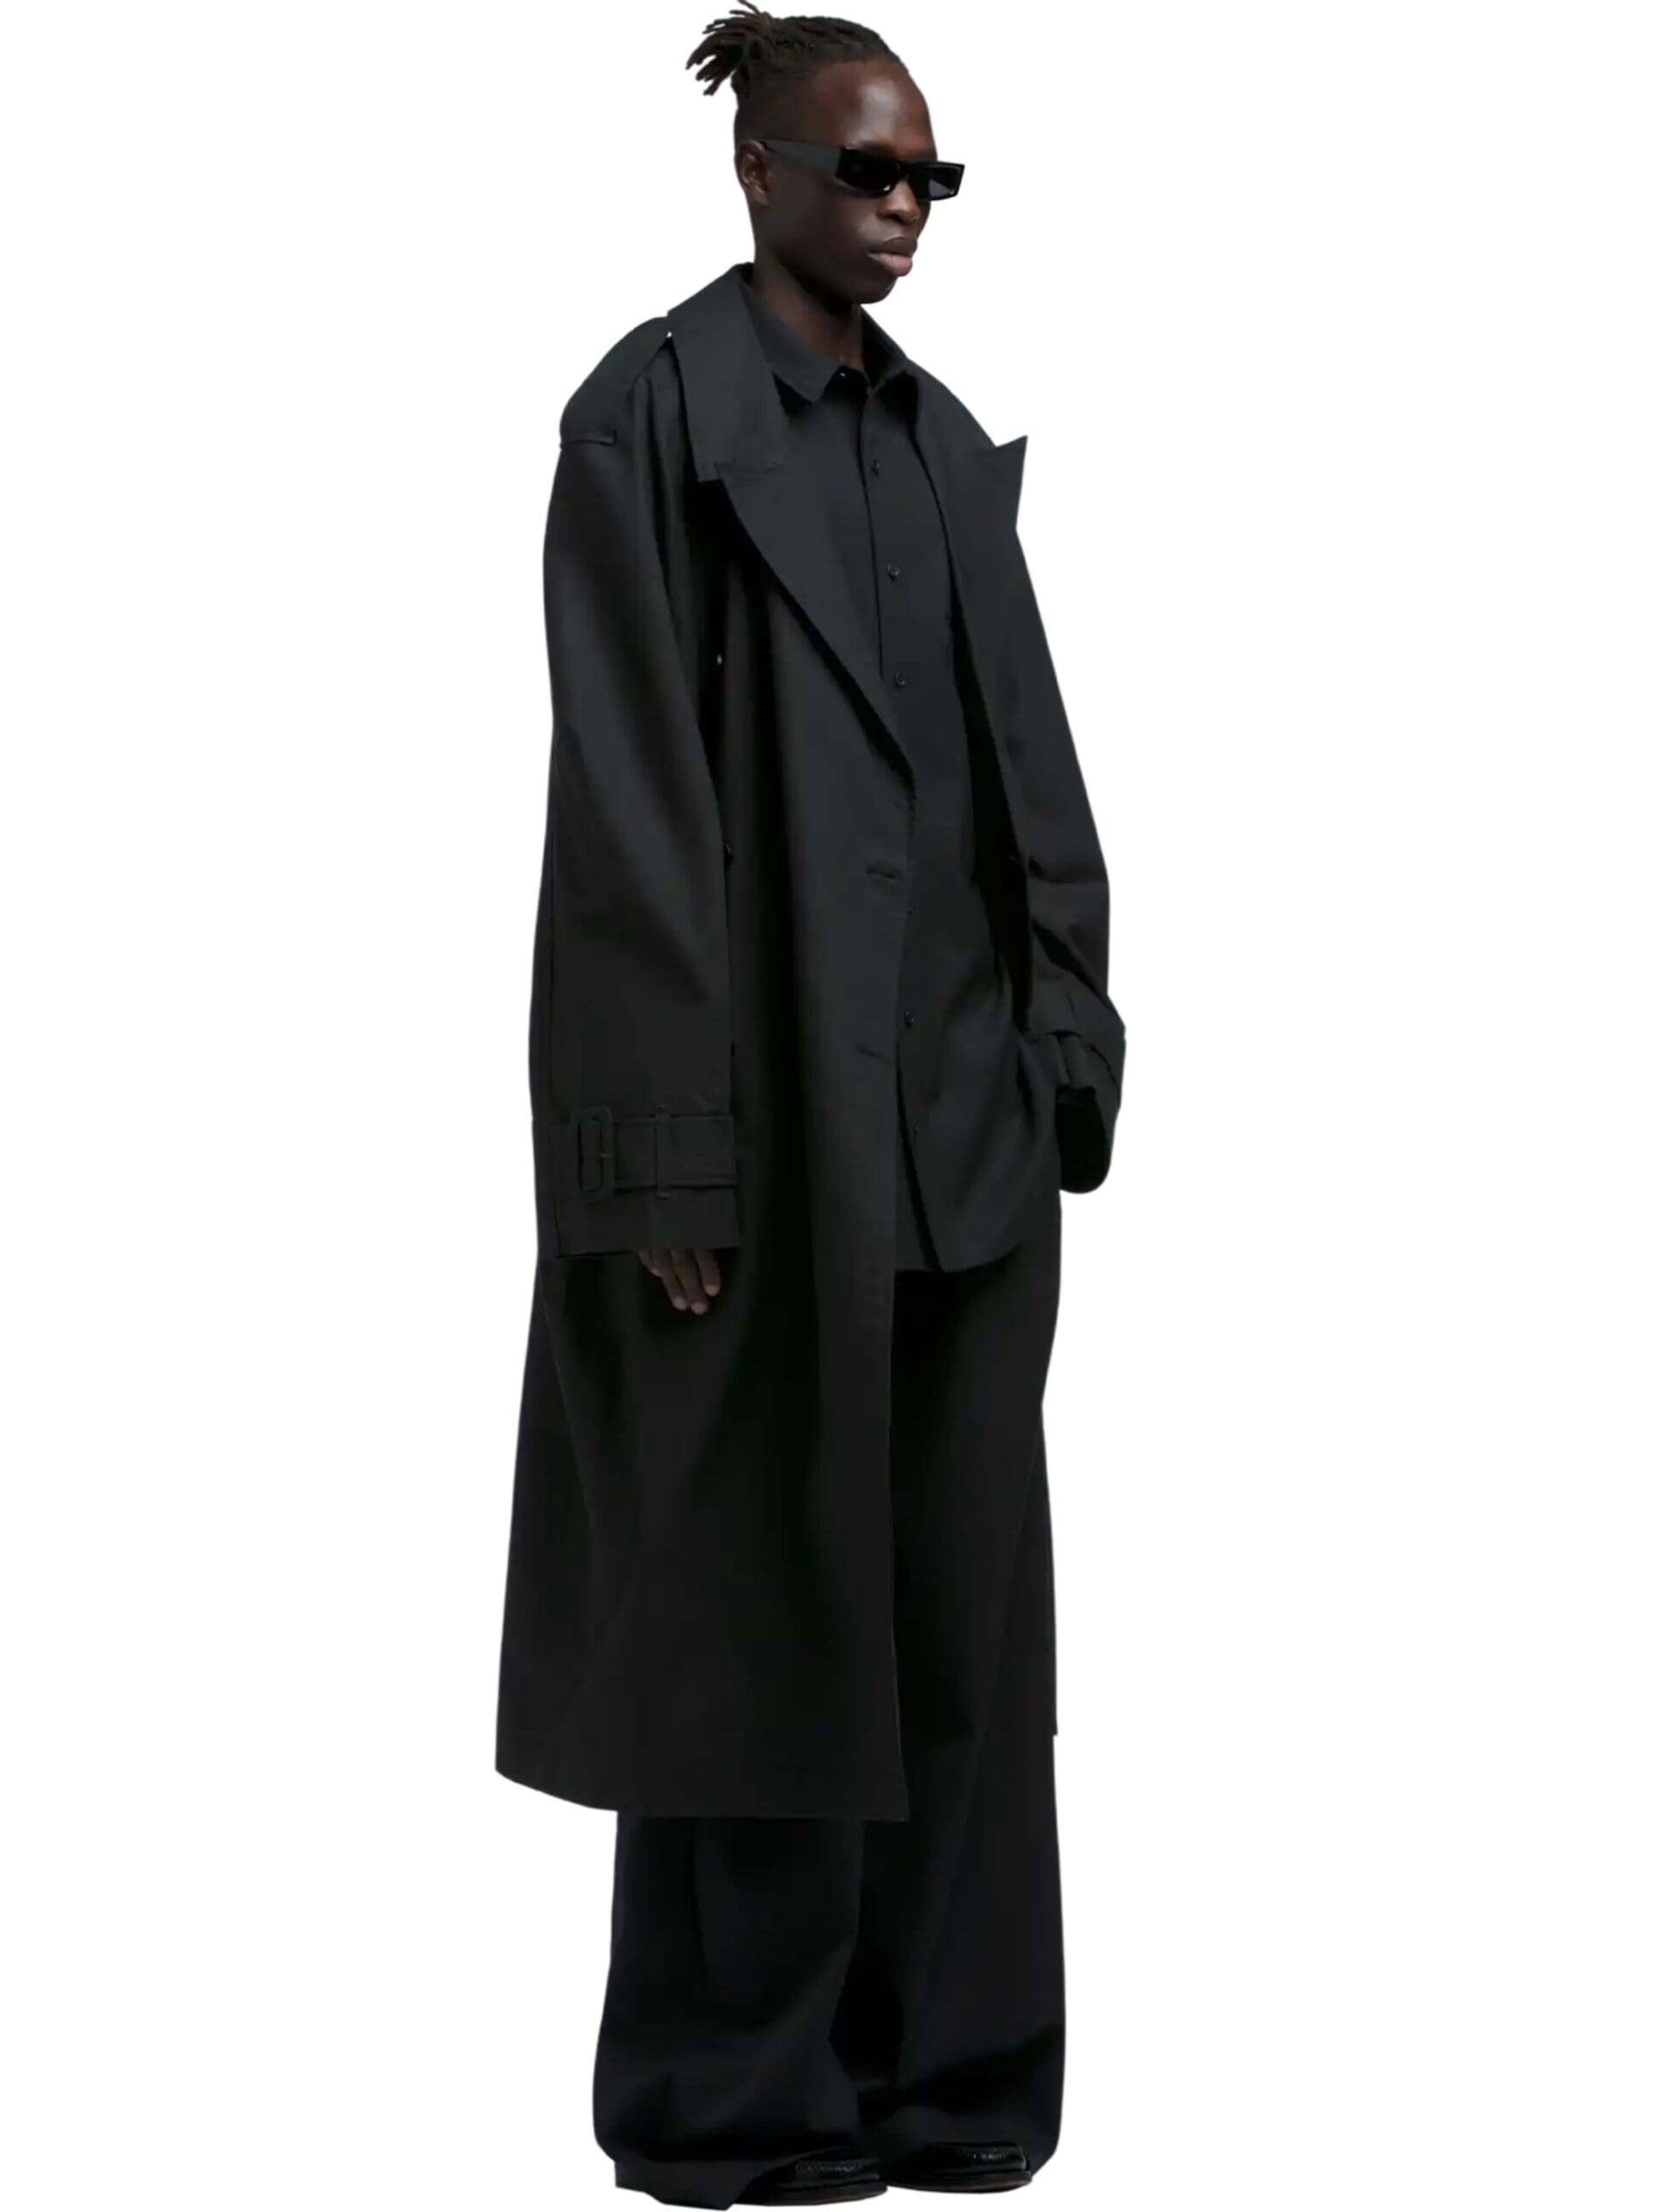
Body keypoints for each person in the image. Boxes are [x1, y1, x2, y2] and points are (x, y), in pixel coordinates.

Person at [496, 8, 1128, 2204]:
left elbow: (1035, 765)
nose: (904, 208)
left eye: (931, 177)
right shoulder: (653, 412)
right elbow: (624, 804)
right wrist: (661, 1149)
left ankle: (951, 2076)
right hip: (763, 1151)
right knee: (754, 1619)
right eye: (868, 169)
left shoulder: (940, 441)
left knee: (966, 1631)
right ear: (757, 167)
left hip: (965, 1145)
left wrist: (1065, 1042)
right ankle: (737, 2097)